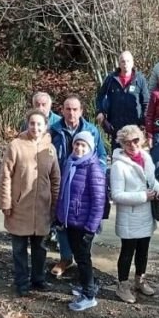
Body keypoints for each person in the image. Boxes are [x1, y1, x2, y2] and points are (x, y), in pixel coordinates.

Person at [0, 110, 61, 296]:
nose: (35, 127)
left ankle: (38, 279)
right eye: (32, 123)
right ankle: (21, 282)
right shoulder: (16, 145)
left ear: (45, 126)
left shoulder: (50, 148)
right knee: (19, 249)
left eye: (39, 124)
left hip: (42, 208)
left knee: (40, 248)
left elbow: (55, 178)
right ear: (27, 124)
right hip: (19, 207)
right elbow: (5, 176)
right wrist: (6, 202)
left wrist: (55, 204)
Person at [48, 96, 107, 276]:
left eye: (75, 109)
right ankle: (65, 258)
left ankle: (84, 264)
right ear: (62, 111)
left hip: (84, 185)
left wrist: (95, 177)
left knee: (83, 226)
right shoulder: (54, 130)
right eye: (67, 109)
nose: (71, 112)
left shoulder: (92, 131)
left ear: (81, 111)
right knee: (62, 223)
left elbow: (102, 157)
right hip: (61, 183)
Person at [110, 125, 159, 303]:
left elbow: (151, 180)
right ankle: (122, 285)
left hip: (146, 214)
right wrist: (143, 196)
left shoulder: (146, 158)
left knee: (143, 249)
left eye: (135, 141)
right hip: (130, 215)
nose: (132, 145)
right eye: (127, 143)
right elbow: (116, 195)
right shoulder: (118, 165)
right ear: (122, 144)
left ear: (141, 140)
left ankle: (140, 279)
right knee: (127, 251)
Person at [57, 131, 108, 311]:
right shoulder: (70, 163)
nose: (79, 148)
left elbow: (99, 201)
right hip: (71, 221)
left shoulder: (93, 168)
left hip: (84, 224)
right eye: (77, 144)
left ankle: (89, 295)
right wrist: (60, 216)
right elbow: (63, 194)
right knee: (80, 257)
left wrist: (90, 228)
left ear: (90, 148)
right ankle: (87, 285)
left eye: (83, 145)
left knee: (83, 259)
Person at [96, 50, 150, 149]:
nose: (125, 64)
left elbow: (146, 102)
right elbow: (100, 96)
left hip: (135, 126)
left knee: (134, 157)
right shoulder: (111, 79)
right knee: (117, 157)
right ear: (119, 63)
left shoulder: (140, 79)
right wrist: (100, 112)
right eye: (123, 61)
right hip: (116, 126)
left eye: (128, 61)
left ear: (132, 63)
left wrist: (144, 122)